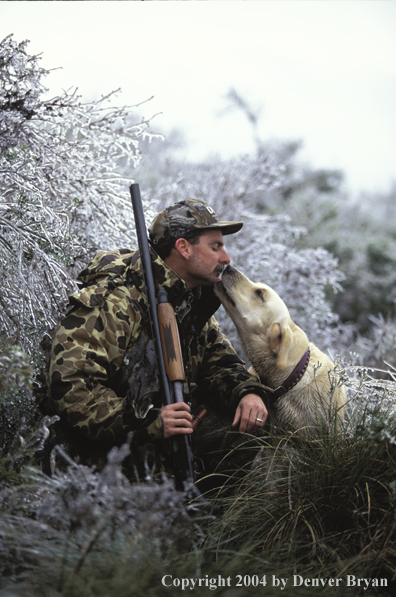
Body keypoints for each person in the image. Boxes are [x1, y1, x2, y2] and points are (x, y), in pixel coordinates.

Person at [46, 199, 268, 481]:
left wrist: (247, 392)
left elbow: (219, 361)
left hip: (163, 439)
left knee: (249, 426)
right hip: (105, 450)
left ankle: (210, 517)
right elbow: (71, 389)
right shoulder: (115, 302)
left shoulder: (189, 301)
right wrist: (150, 423)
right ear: (183, 248)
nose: (226, 259)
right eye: (216, 247)